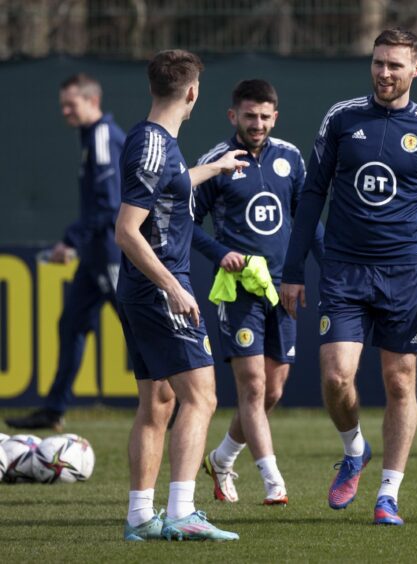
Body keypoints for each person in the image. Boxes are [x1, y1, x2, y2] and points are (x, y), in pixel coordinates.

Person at [280, 29, 417, 526]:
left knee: (399, 380)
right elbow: (312, 194)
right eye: (379, 63)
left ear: (415, 70)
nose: (384, 73)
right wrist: (293, 270)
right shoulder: (341, 118)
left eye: (395, 66)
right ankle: (354, 447)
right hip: (342, 268)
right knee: (337, 376)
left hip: (405, 271)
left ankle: (389, 494)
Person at [115, 49, 248, 541]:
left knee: (160, 403)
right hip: (158, 288)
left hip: (147, 288)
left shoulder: (158, 143)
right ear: (192, 92)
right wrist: (172, 287)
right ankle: (183, 512)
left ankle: (139, 519)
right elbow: (127, 231)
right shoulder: (152, 145)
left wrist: (212, 169)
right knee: (203, 396)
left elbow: (168, 187)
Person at [192, 79, 324, 506]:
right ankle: (273, 481)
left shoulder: (289, 158)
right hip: (238, 291)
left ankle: (222, 459)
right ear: (233, 116)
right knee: (251, 387)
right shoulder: (217, 162)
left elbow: (305, 221)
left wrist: (330, 269)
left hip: (282, 289)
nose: (258, 124)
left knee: (273, 391)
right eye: (250, 116)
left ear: (276, 117)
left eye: (266, 116)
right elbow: (184, 222)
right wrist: (220, 251)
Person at [5, 74, 125, 432]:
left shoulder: (104, 138)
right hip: (94, 255)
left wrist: (71, 239)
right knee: (70, 323)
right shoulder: (89, 137)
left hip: (112, 252)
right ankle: (54, 409)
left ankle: (180, 401)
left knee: (139, 327)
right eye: (63, 104)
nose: (65, 111)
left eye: (71, 104)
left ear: (92, 100)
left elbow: (109, 205)